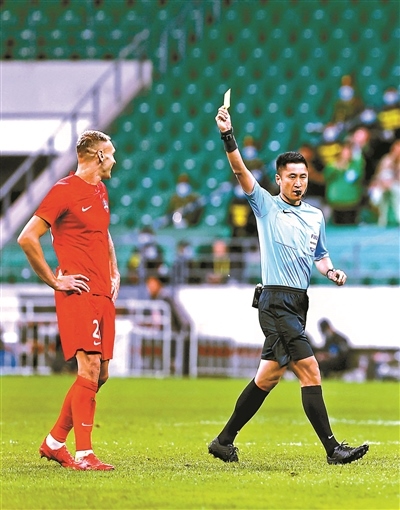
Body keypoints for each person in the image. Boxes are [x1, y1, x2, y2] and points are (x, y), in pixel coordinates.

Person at [208, 105, 369, 466]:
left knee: (267, 377)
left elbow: (320, 255)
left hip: (298, 302)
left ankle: (223, 441)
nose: (298, 182)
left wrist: (331, 271)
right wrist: (227, 134)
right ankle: (333, 449)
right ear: (279, 179)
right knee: (310, 369)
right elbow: (240, 170)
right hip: (275, 300)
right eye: (292, 176)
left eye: (303, 176)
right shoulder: (265, 205)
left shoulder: (315, 215)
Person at [17, 130, 120, 471]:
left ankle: (54, 442)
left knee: (100, 375)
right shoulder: (64, 190)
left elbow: (102, 232)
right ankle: (84, 453)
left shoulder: (100, 190)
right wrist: (54, 280)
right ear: (99, 156)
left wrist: (114, 269)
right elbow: (27, 237)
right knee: (88, 368)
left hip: (103, 291)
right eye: (111, 153)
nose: (115, 160)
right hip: (78, 292)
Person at [323, 142, 365, 225]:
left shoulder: (355, 165)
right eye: (344, 152)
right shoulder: (332, 165)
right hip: (336, 202)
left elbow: (357, 175)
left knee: (351, 227)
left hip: (351, 202)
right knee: (337, 227)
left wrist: (347, 167)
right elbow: (326, 176)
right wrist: (336, 167)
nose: (347, 154)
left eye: (349, 152)